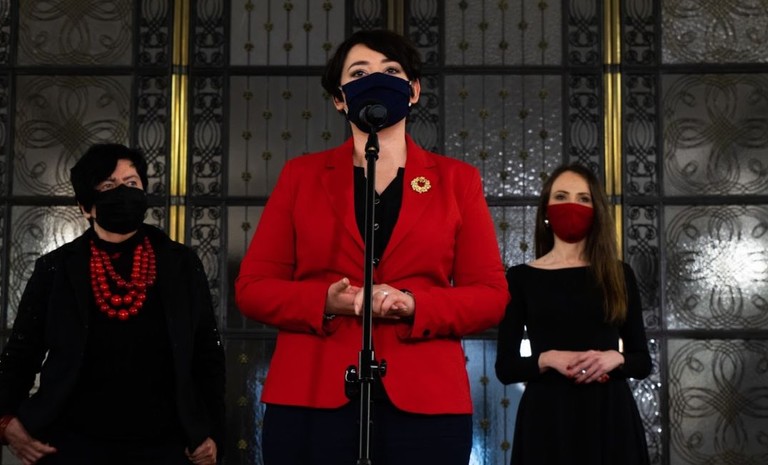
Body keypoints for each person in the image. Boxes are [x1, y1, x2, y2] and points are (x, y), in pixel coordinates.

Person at [235, 29, 509, 465]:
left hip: (426, 401)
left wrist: (413, 304)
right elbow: (252, 288)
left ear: (413, 91)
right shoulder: (301, 177)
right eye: (359, 73)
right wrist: (327, 301)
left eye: (391, 71)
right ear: (339, 98)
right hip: (311, 394)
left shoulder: (458, 181)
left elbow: (491, 297)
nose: (376, 80)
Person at [0, 144, 225, 465]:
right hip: (72, 444)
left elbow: (207, 354)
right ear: (86, 207)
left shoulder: (181, 264)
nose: (123, 192)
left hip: (165, 445)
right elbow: (22, 353)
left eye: (131, 183)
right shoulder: (56, 268)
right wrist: (6, 421)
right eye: (108, 186)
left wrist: (213, 431)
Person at [494, 163, 652, 464]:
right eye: (561, 196)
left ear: (596, 211)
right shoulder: (520, 278)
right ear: (546, 209)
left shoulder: (620, 274)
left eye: (583, 199)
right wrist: (547, 358)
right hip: (547, 418)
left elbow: (642, 361)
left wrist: (615, 358)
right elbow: (506, 367)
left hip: (610, 416)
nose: (571, 206)